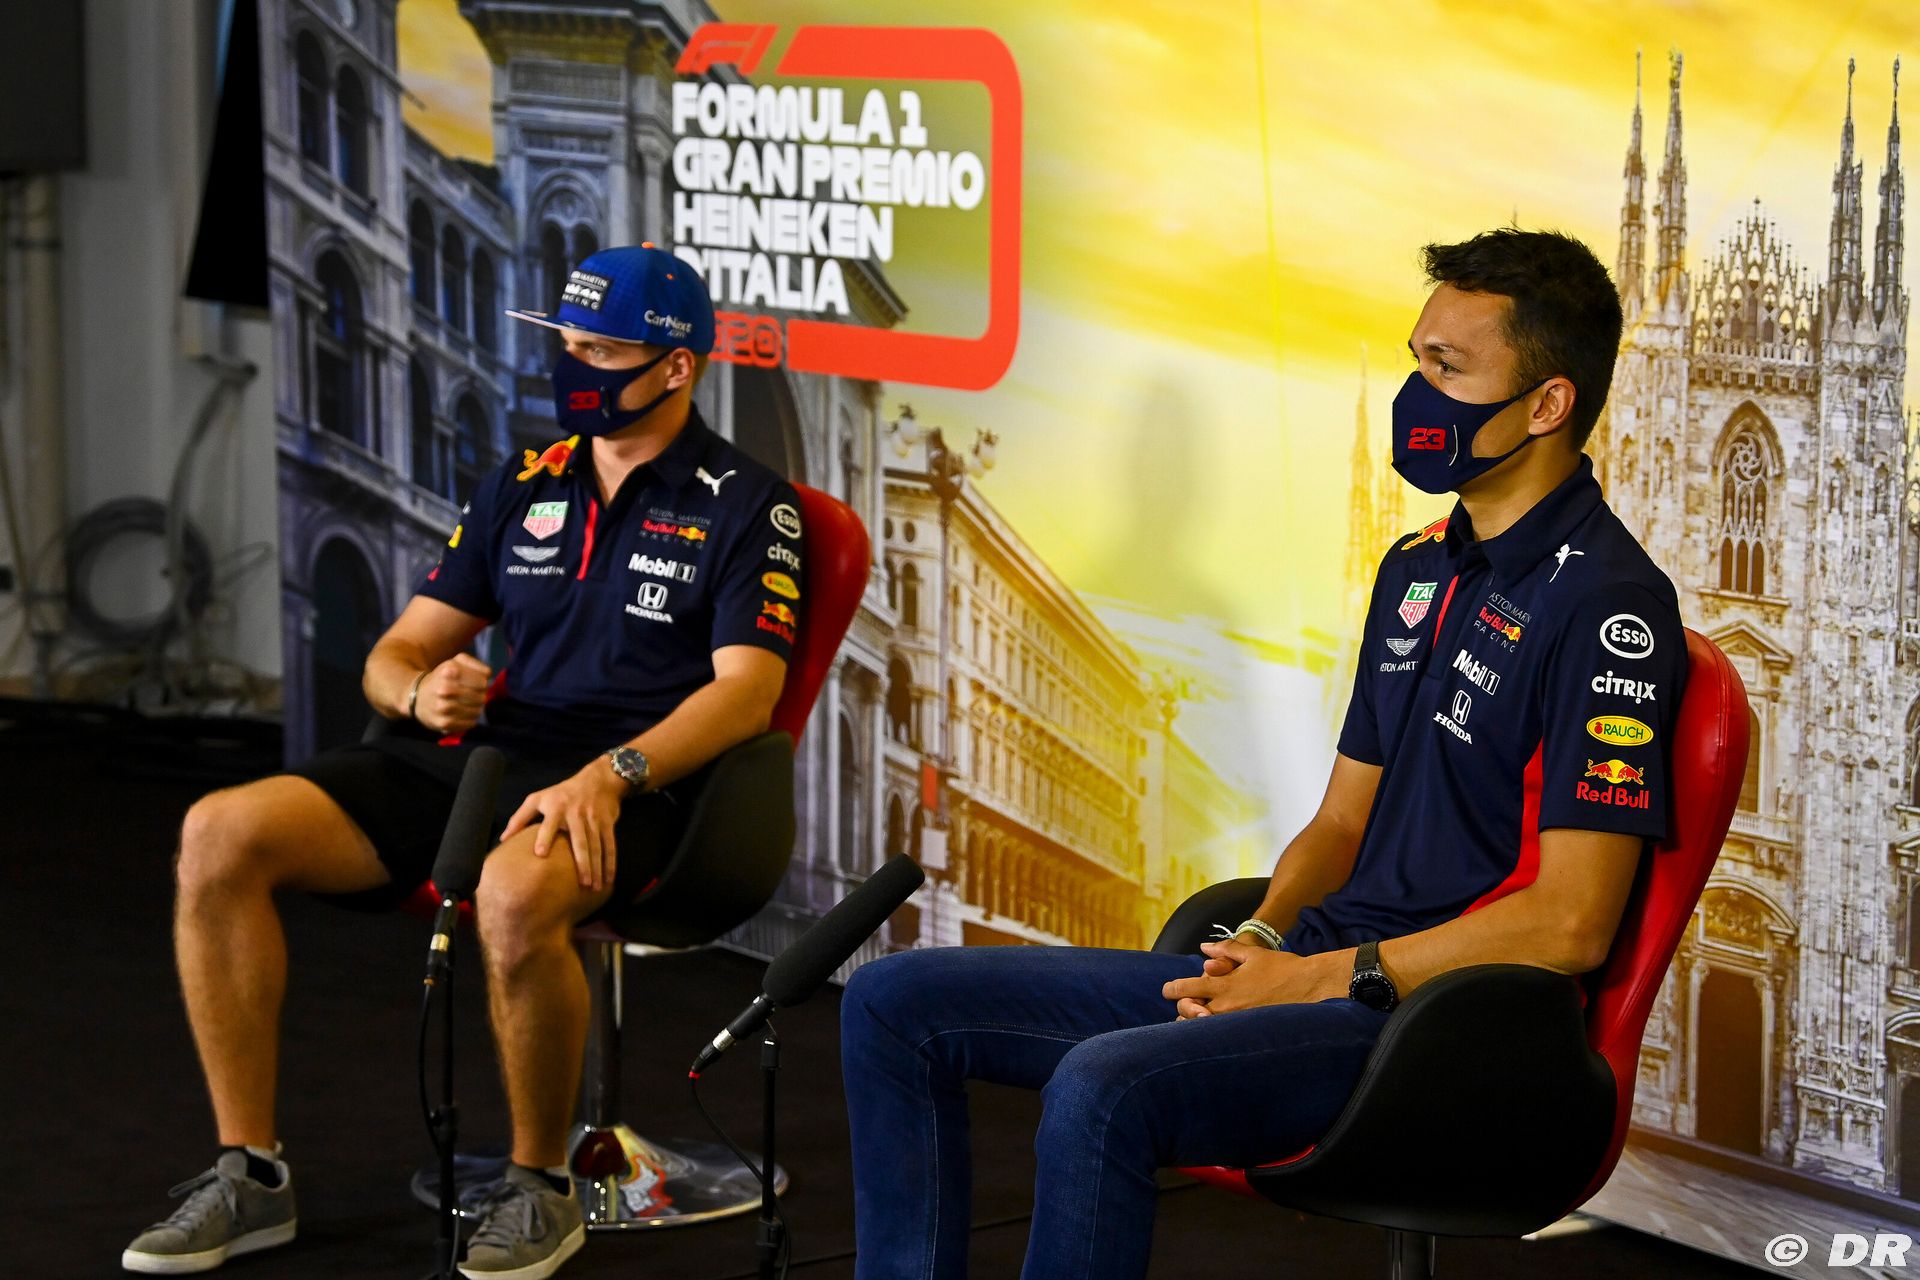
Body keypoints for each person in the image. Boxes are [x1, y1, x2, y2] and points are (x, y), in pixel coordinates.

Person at [838, 227, 1689, 1280]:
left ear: (1548, 404)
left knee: (1101, 1085)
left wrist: (1319, 977)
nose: (1417, 396)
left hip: (1444, 1031)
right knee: (893, 1003)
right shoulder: (1417, 569)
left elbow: (1570, 924)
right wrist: (1258, 937)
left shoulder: (1611, 606)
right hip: (1322, 970)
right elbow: (1340, 821)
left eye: (1447, 368)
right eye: (1417, 360)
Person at [122, 246, 806, 1279]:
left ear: (676, 366)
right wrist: (416, 693)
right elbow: (397, 649)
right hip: (493, 757)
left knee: (511, 892)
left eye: (601, 350)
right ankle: (249, 1172)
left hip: (650, 784)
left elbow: (747, 692)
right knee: (218, 830)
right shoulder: (523, 482)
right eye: (566, 344)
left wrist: (610, 775)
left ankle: (540, 1186)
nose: (573, 368)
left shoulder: (750, 502)